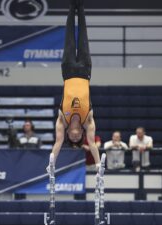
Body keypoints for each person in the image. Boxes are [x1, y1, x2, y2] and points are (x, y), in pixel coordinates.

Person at [48, 0, 101, 171]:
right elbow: (92, 144)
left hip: (68, 72)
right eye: (79, 137)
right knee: (83, 35)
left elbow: (58, 142)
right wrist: (99, 164)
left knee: (69, 36)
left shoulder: (62, 119)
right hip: (85, 72)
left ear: (69, 134)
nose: (76, 134)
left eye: (74, 137)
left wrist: (51, 163)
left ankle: (72, 6)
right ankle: (82, 6)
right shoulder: (89, 121)